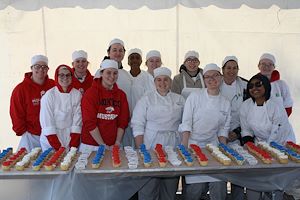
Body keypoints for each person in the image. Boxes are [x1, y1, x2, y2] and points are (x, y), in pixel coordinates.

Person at [131, 67, 185, 200]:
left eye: (166, 79)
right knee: (149, 186)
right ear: (154, 82)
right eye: (159, 80)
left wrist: (183, 146)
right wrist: (141, 148)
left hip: (173, 145)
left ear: (171, 82)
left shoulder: (179, 99)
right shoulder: (146, 99)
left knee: (170, 187)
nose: (163, 83)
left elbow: (186, 123)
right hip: (151, 145)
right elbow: (137, 124)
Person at [239, 74, 295, 200]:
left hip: (280, 144)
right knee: (255, 180)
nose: (255, 88)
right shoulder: (246, 106)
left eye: (259, 84)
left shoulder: (275, 106)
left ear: (266, 86)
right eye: (251, 86)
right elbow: (246, 129)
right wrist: (249, 145)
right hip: (259, 144)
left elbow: (277, 130)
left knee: (275, 181)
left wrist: (267, 147)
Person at [179, 63, 230, 200]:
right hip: (193, 145)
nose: (211, 79)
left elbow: (223, 129)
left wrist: (223, 149)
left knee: (218, 186)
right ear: (204, 79)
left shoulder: (225, 102)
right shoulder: (195, 97)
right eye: (208, 76)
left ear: (220, 78)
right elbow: (186, 123)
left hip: (213, 147)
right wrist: (184, 147)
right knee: (195, 189)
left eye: (215, 75)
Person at [80, 59, 130, 152]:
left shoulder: (121, 95)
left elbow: (122, 122)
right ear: (101, 73)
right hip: (91, 146)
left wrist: (117, 143)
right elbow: (89, 123)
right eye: (108, 73)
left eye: (115, 73)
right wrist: (103, 145)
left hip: (114, 145)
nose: (112, 76)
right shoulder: (90, 94)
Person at [10, 55, 55, 151]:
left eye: (44, 67)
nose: (41, 69)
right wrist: (22, 131)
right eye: (37, 66)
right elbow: (16, 113)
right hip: (31, 137)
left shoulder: (53, 85)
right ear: (31, 68)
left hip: (51, 135)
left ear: (47, 69)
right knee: (26, 164)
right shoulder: (21, 89)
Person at [219, 56, 248, 200]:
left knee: (239, 170)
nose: (232, 71)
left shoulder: (245, 86)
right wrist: (222, 134)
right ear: (222, 70)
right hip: (217, 135)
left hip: (238, 133)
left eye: (235, 68)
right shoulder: (215, 85)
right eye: (228, 68)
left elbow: (249, 114)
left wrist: (237, 133)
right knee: (220, 169)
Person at [39, 65, 82, 151]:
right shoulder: (49, 95)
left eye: (68, 75)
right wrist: (57, 146)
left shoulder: (77, 94)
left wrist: (73, 143)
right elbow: (47, 122)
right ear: (56, 77)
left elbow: (78, 119)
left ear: (72, 76)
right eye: (61, 75)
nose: (65, 78)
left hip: (71, 136)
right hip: (51, 138)